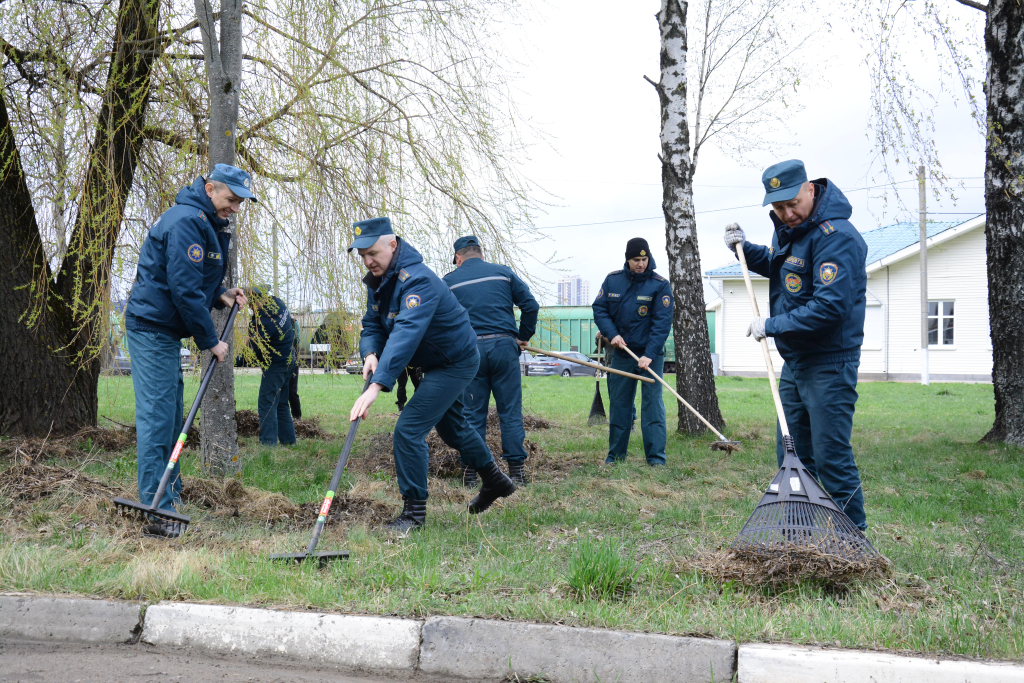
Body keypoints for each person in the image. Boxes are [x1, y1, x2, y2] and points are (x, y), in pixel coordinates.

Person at [723, 158, 869, 530]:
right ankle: (799, 536)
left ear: (810, 188)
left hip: (829, 364)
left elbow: (829, 307)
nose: (787, 213)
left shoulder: (838, 238)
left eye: (793, 204)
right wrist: (744, 250)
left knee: (831, 457)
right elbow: (780, 266)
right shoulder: (791, 233)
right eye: (778, 207)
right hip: (796, 363)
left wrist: (771, 325)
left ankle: (853, 543)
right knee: (792, 457)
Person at [347, 217, 516, 532]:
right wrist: (370, 353)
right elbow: (371, 325)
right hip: (434, 361)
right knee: (454, 431)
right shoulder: (379, 282)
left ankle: (413, 514)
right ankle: (495, 481)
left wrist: (377, 387)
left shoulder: (418, 281)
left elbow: (406, 333)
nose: (368, 261)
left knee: (408, 429)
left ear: (392, 245)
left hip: (456, 361)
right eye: (362, 255)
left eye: (372, 252)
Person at [124, 163, 253, 538]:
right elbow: (183, 291)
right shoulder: (186, 222)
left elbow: (192, 281)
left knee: (173, 415)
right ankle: (156, 509)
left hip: (164, 331)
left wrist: (221, 295)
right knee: (159, 417)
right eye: (231, 199)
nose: (235, 207)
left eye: (240, 202)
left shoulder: (203, 221)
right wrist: (210, 341)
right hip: (151, 330)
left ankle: (170, 497)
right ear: (210, 188)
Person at [443, 235, 539, 486]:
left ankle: (471, 475)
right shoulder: (503, 273)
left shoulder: (449, 282)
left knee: (472, 414)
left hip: (469, 351)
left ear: (458, 258)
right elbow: (530, 305)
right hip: (504, 347)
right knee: (510, 412)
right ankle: (516, 473)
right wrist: (523, 336)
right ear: (481, 254)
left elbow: (440, 320)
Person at [592, 238, 673, 466]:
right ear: (628, 259)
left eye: (644, 259)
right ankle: (616, 457)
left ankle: (656, 459)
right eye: (636, 260)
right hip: (622, 354)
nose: (641, 264)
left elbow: (662, 323)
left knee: (652, 406)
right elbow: (599, 309)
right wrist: (611, 333)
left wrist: (649, 354)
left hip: (650, 356)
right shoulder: (612, 280)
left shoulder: (659, 285)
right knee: (619, 405)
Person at [245, 286, 297, 446]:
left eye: (251, 305)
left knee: (267, 403)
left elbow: (255, 351)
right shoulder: (277, 303)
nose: (250, 309)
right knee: (281, 402)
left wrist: (235, 359)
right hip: (289, 359)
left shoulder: (264, 321)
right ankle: (289, 442)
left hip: (276, 365)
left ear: (258, 301)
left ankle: (268, 444)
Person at [288, 315, 302, 419]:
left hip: (293, 361)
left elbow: (297, 341)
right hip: (280, 362)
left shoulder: (294, 323)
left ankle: (297, 416)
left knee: (292, 392)